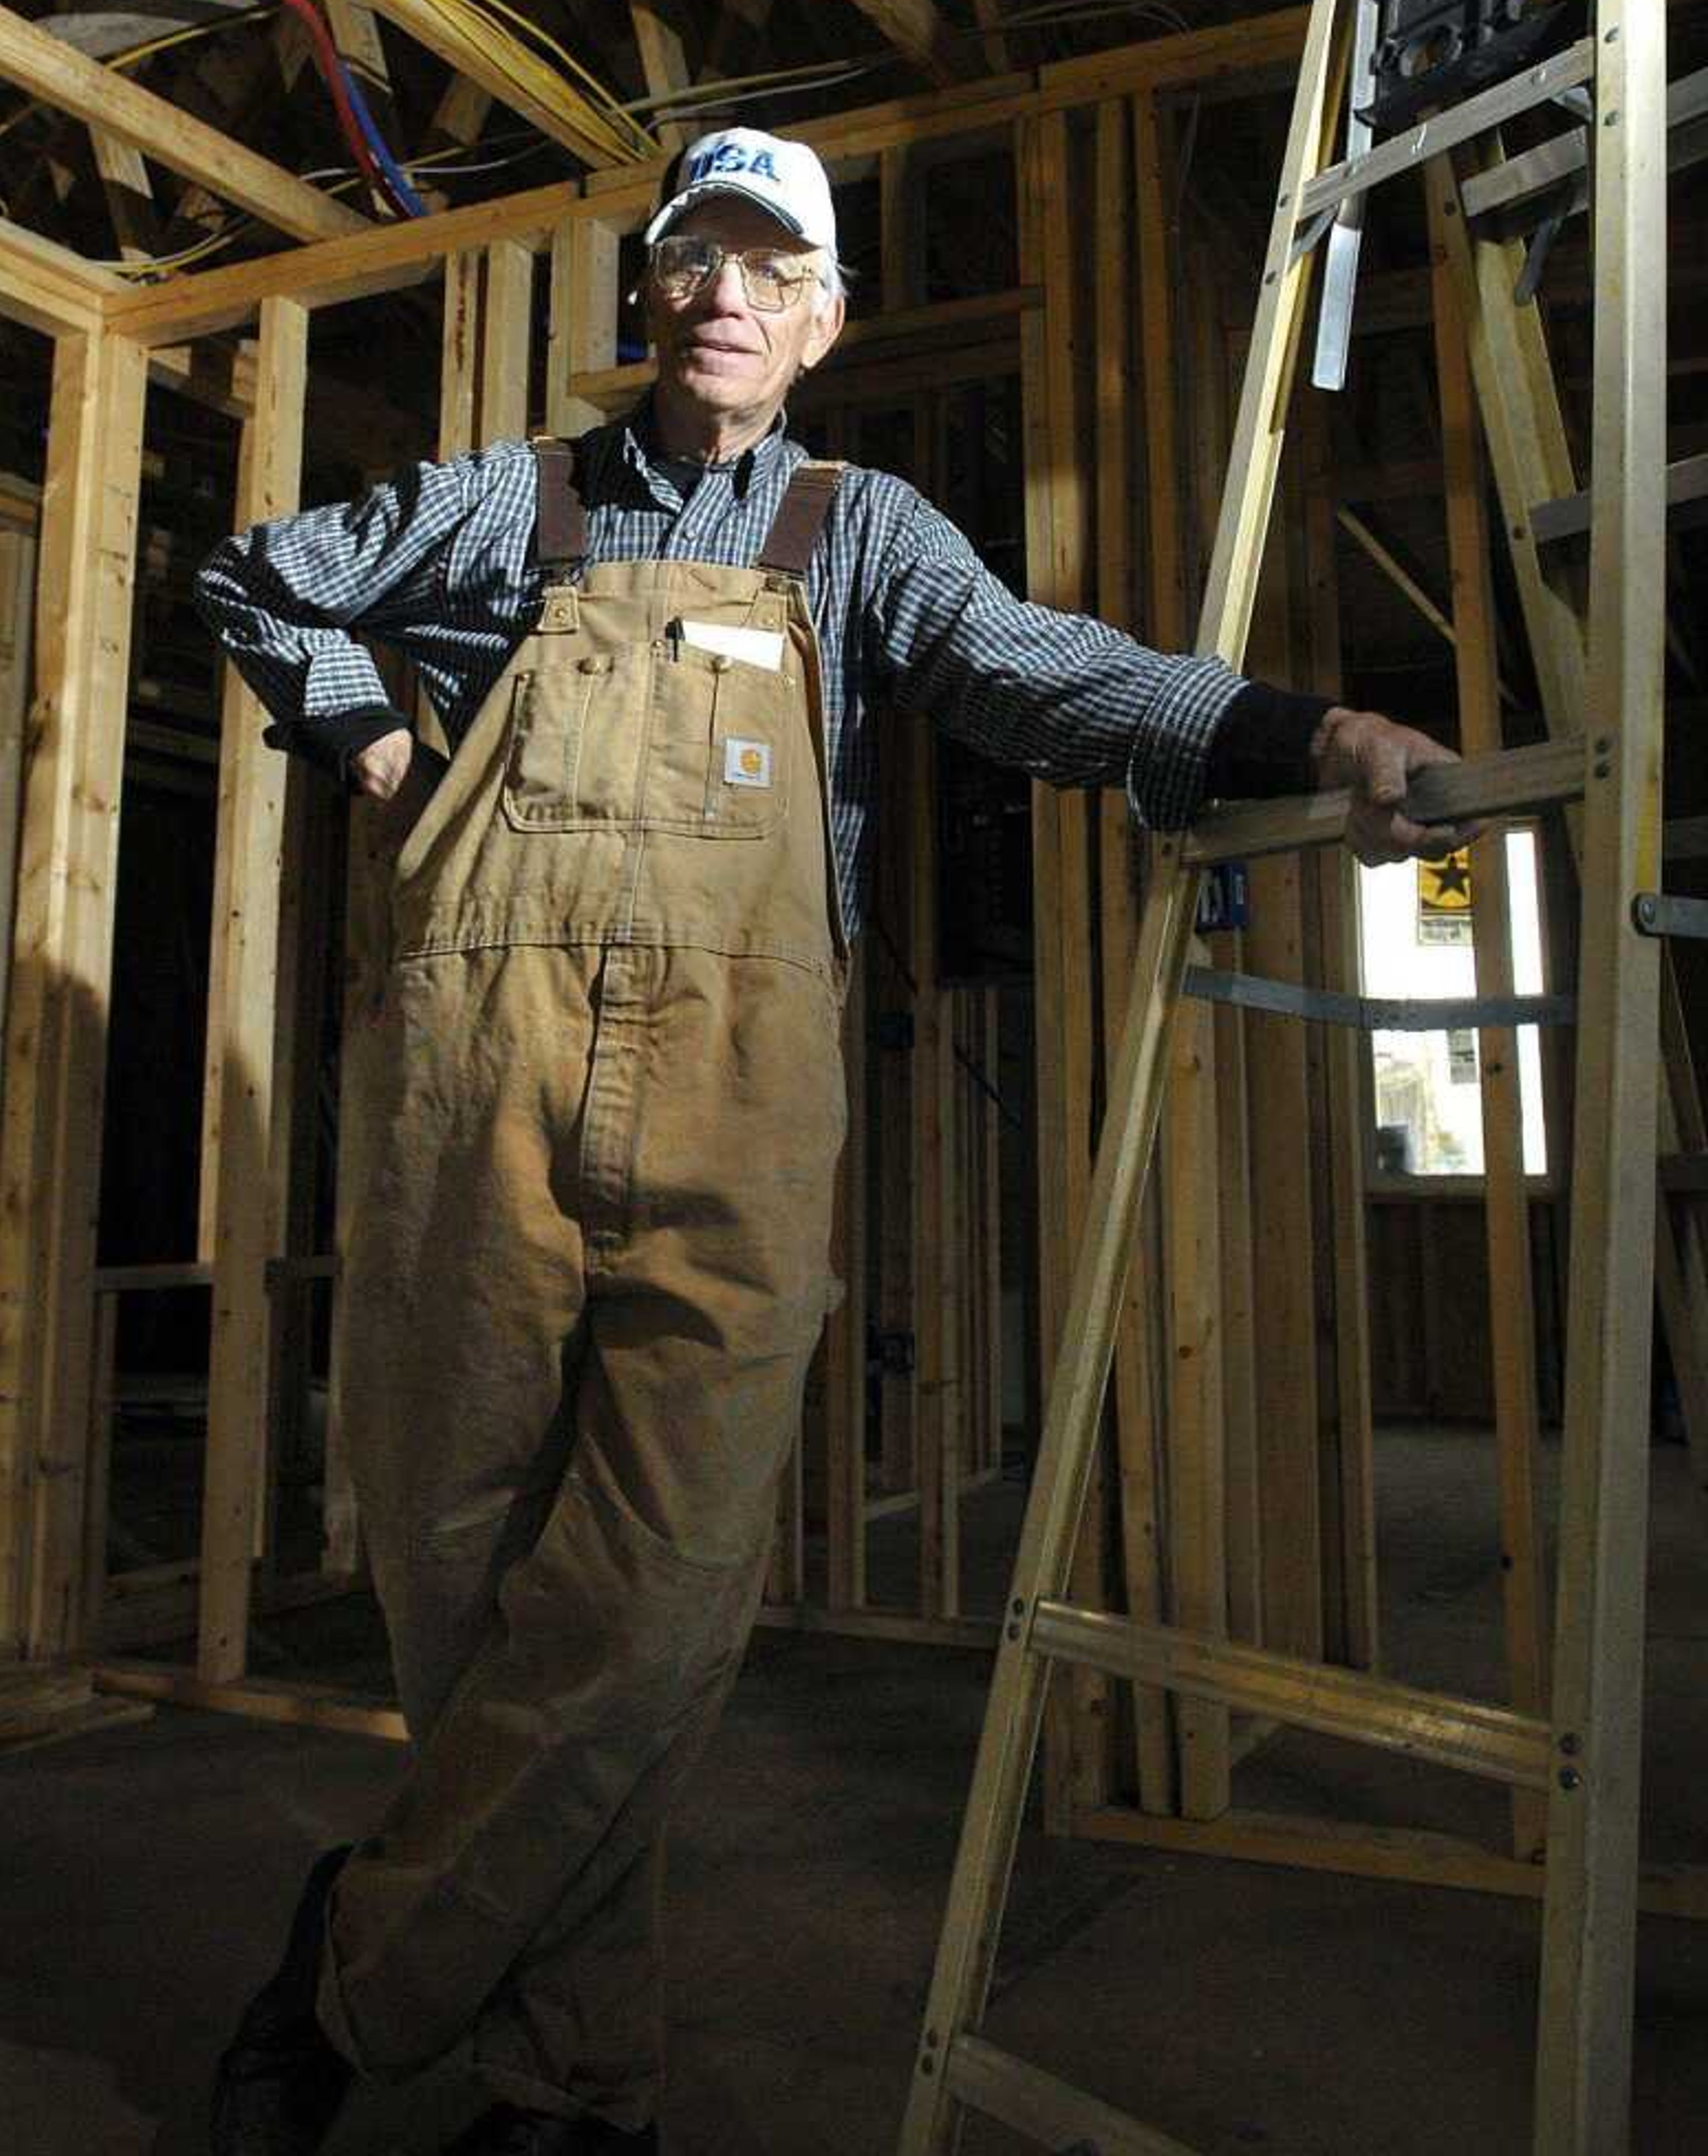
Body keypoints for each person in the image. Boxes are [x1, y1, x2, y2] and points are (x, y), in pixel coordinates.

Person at [194, 126, 1469, 2156]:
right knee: (462, 1586)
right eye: (696, 254)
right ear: (654, 292)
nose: (725, 292)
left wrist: (1304, 731)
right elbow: (254, 572)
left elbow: (1037, 670)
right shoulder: (506, 501)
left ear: (821, 317)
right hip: (477, 1093)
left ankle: (355, 1967)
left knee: (657, 1607)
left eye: (770, 266)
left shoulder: (855, 529)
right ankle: (571, 2082)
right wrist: (360, 723)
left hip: (741, 1105)